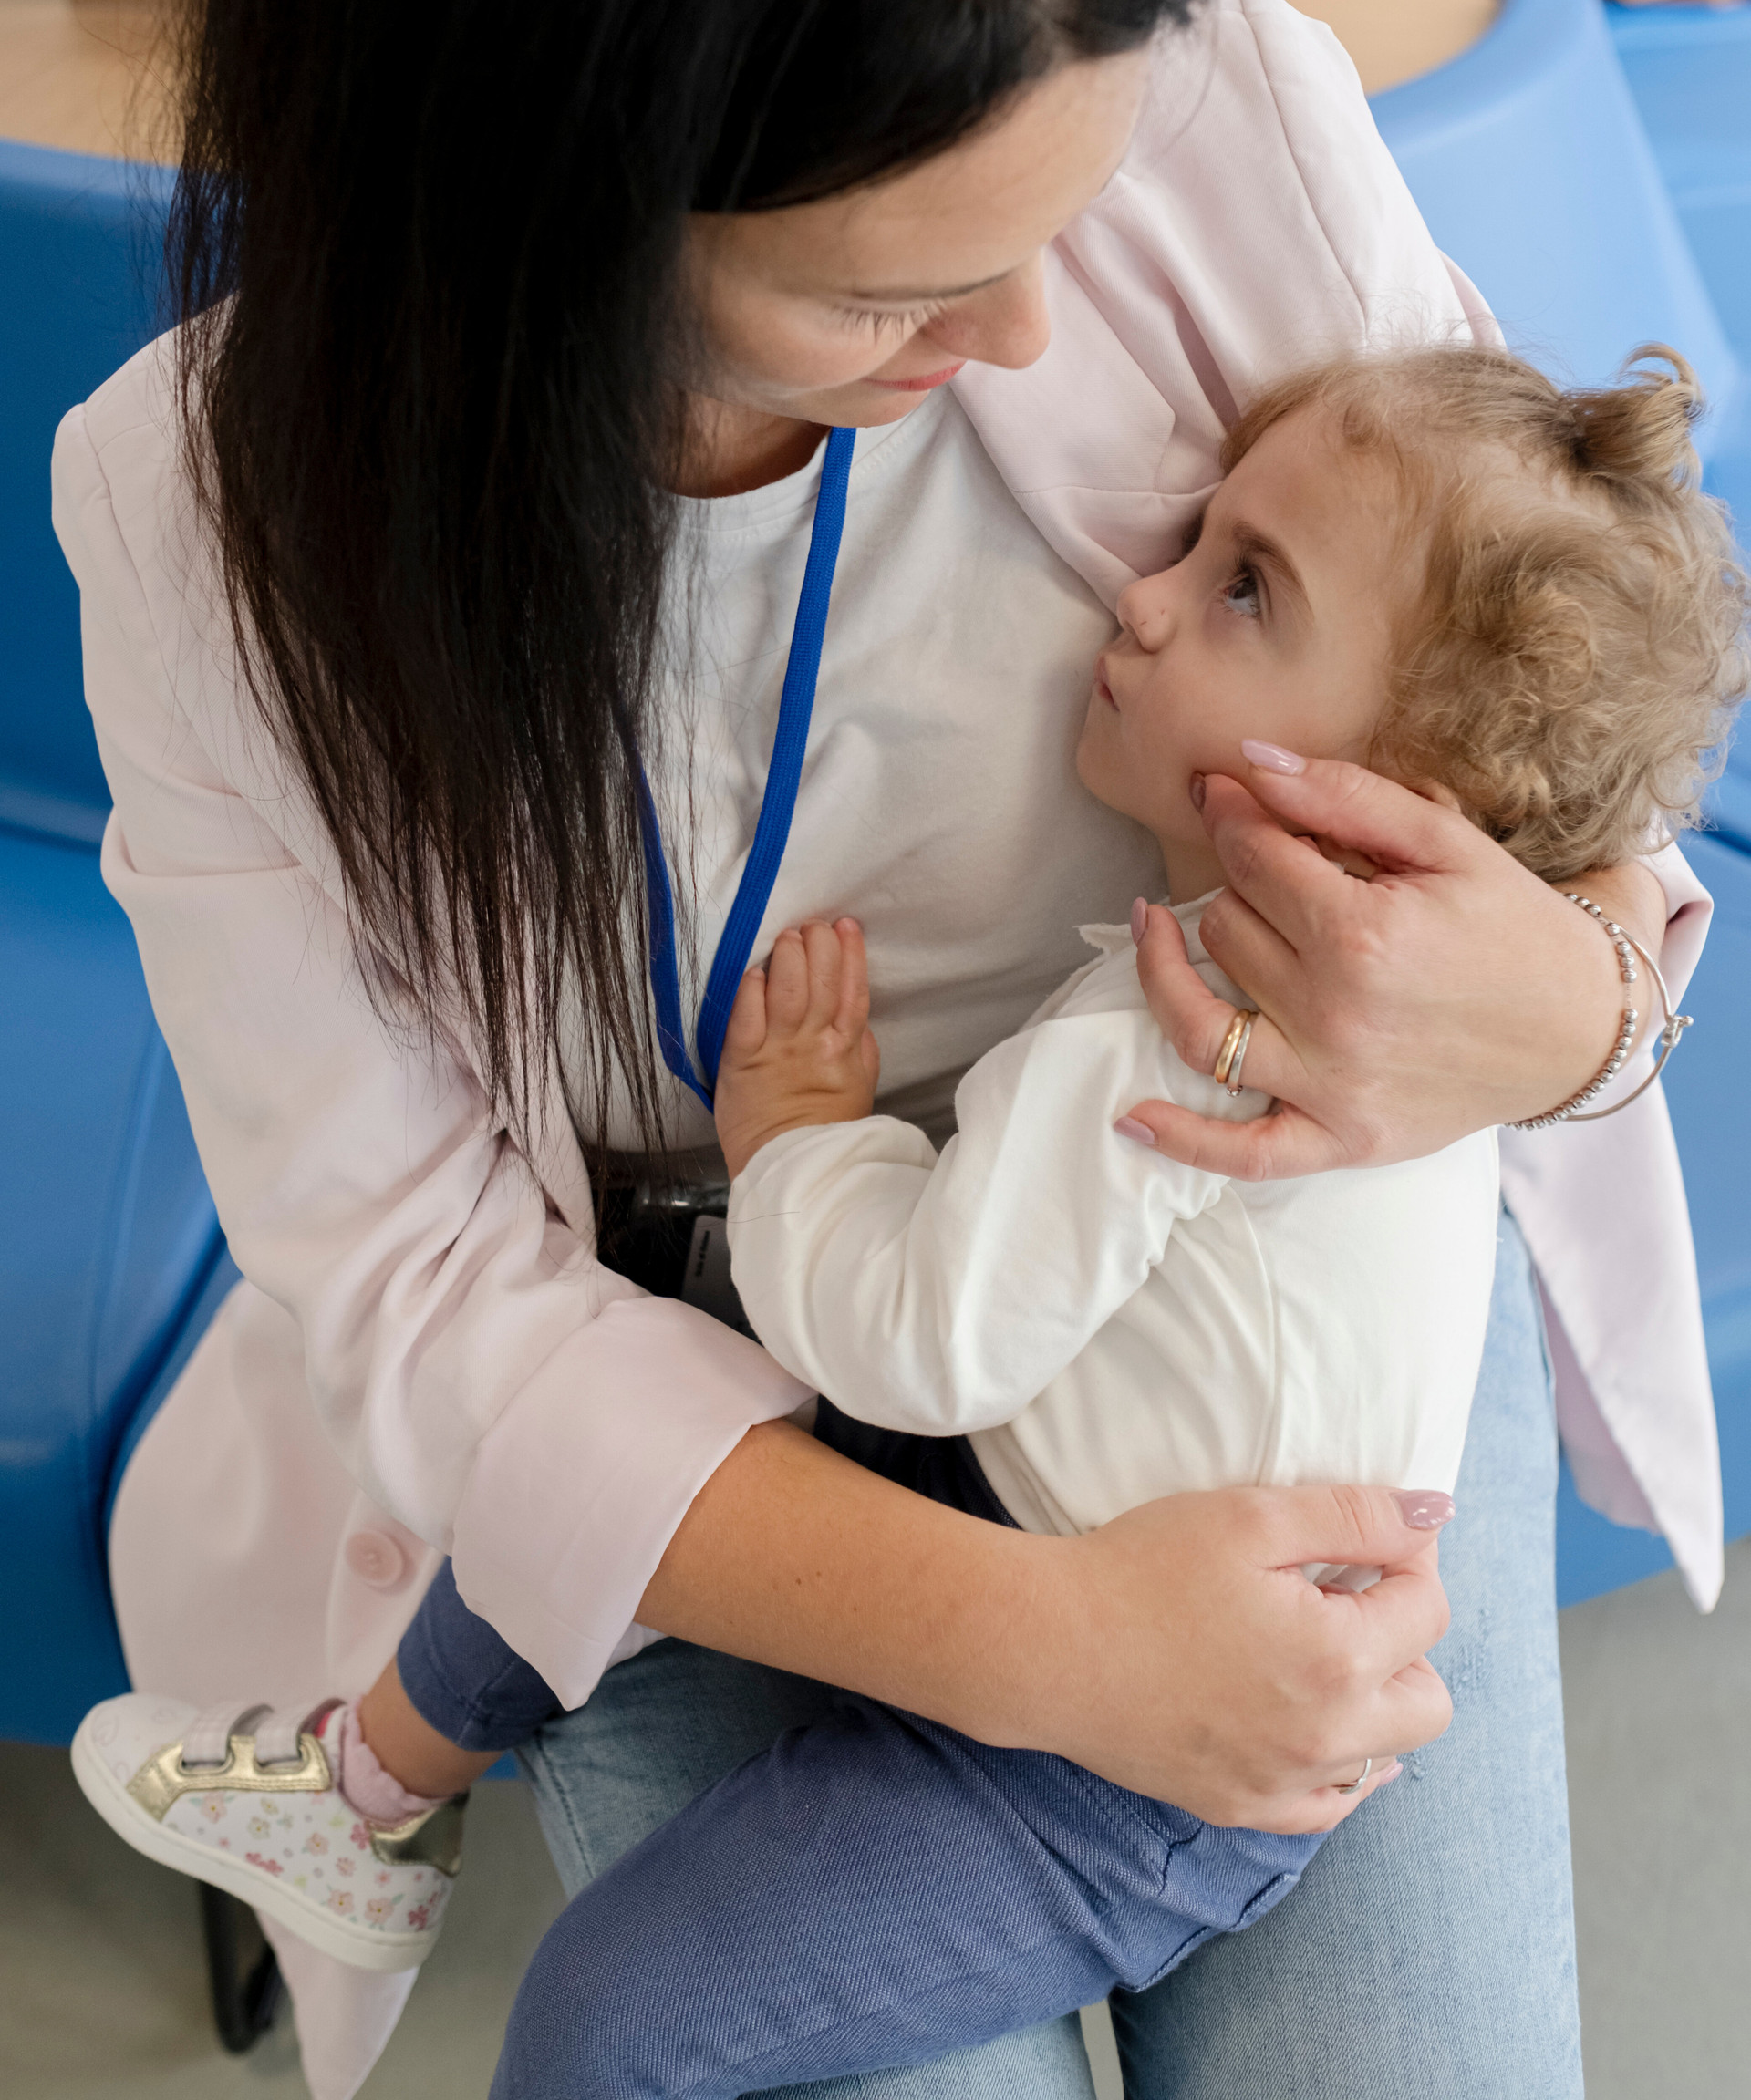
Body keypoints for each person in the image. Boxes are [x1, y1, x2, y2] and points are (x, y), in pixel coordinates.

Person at [50, 0, 1719, 2095]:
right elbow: (415, 1276)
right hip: (698, 1373)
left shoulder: (1221, 125)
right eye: (892, 286)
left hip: (1232, 1316)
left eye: (1062, 215)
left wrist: (1576, 997)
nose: (1042, 327)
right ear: (536, 216)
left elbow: (1568, 682)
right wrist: (1055, 1647)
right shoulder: (198, 525)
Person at [73, 343, 1745, 2097]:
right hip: (1057, 1474)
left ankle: (363, 1788)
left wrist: (800, 1138)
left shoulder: (1159, 1040)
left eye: (1244, 587)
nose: (1149, 592)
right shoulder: (1331, 998)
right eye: (1197, 538)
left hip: (1118, 1773)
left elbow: (916, 1339)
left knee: (607, 2022)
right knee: (616, 1430)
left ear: (1408, 801)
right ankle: (361, 1789)